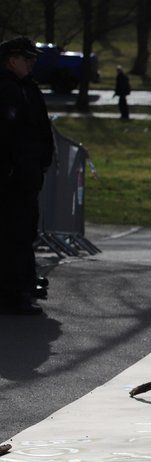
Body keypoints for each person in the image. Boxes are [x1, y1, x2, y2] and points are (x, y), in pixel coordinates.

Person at [0, 37, 53, 315]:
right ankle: (12, 292)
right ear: (11, 60)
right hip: (11, 179)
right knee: (13, 234)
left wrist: (43, 161)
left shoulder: (27, 89)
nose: (32, 63)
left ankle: (23, 283)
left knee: (24, 232)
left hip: (27, 177)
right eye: (27, 58)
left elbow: (40, 131)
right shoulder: (6, 89)